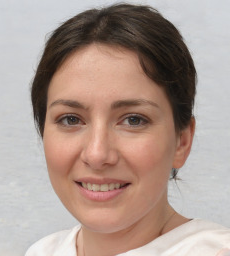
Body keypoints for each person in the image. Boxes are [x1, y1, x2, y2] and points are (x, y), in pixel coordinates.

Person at [25, 3, 230, 256]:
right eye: (70, 119)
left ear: (182, 141)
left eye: (134, 120)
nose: (97, 154)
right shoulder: (42, 251)